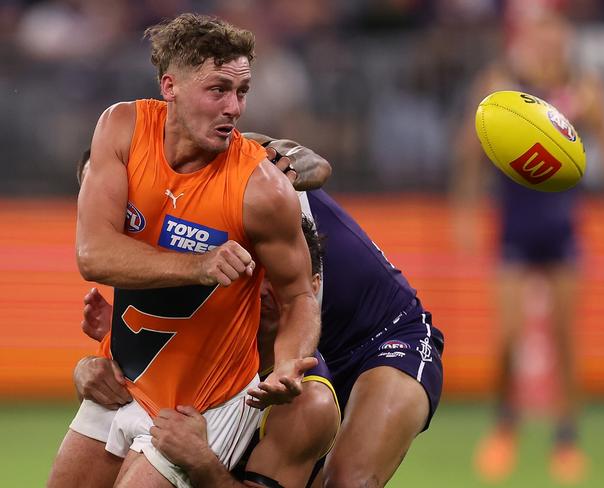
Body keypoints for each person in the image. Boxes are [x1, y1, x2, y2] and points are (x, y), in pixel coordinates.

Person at [74, 133, 445, 487]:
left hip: (384, 335)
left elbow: (317, 166)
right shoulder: (161, 243)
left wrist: (288, 169)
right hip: (295, 349)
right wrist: (91, 366)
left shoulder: (225, 162)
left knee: (348, 480)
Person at [48, 13, 320, 488]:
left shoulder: (261, 190)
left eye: (242, 92)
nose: (234, 107)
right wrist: (200, 265)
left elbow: (299, 297)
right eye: (218, 90)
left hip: (203, 405)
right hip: (123, 384)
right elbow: (93, 255)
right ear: (169, 86)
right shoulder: (122, 127)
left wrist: (291, 360)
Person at [451, 8, 604, 484]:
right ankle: (505, 424)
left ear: (566, 41)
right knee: (509, 337)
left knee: (566, 337)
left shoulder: (585, 90)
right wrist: (466, 212)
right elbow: (469, 151)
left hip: (563, 231)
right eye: (541, 36)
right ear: (527, 40)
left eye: (556, 36)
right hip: (513, 230)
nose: (549, 44)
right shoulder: (501, 87)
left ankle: (567, 437)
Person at [75, 217, 340, 488]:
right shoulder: (198, 342)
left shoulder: (307, 402)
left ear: (312, 285)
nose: (260, 291)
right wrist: (90, 370)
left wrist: (202, 462)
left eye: (275, 280)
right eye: (252, 276)